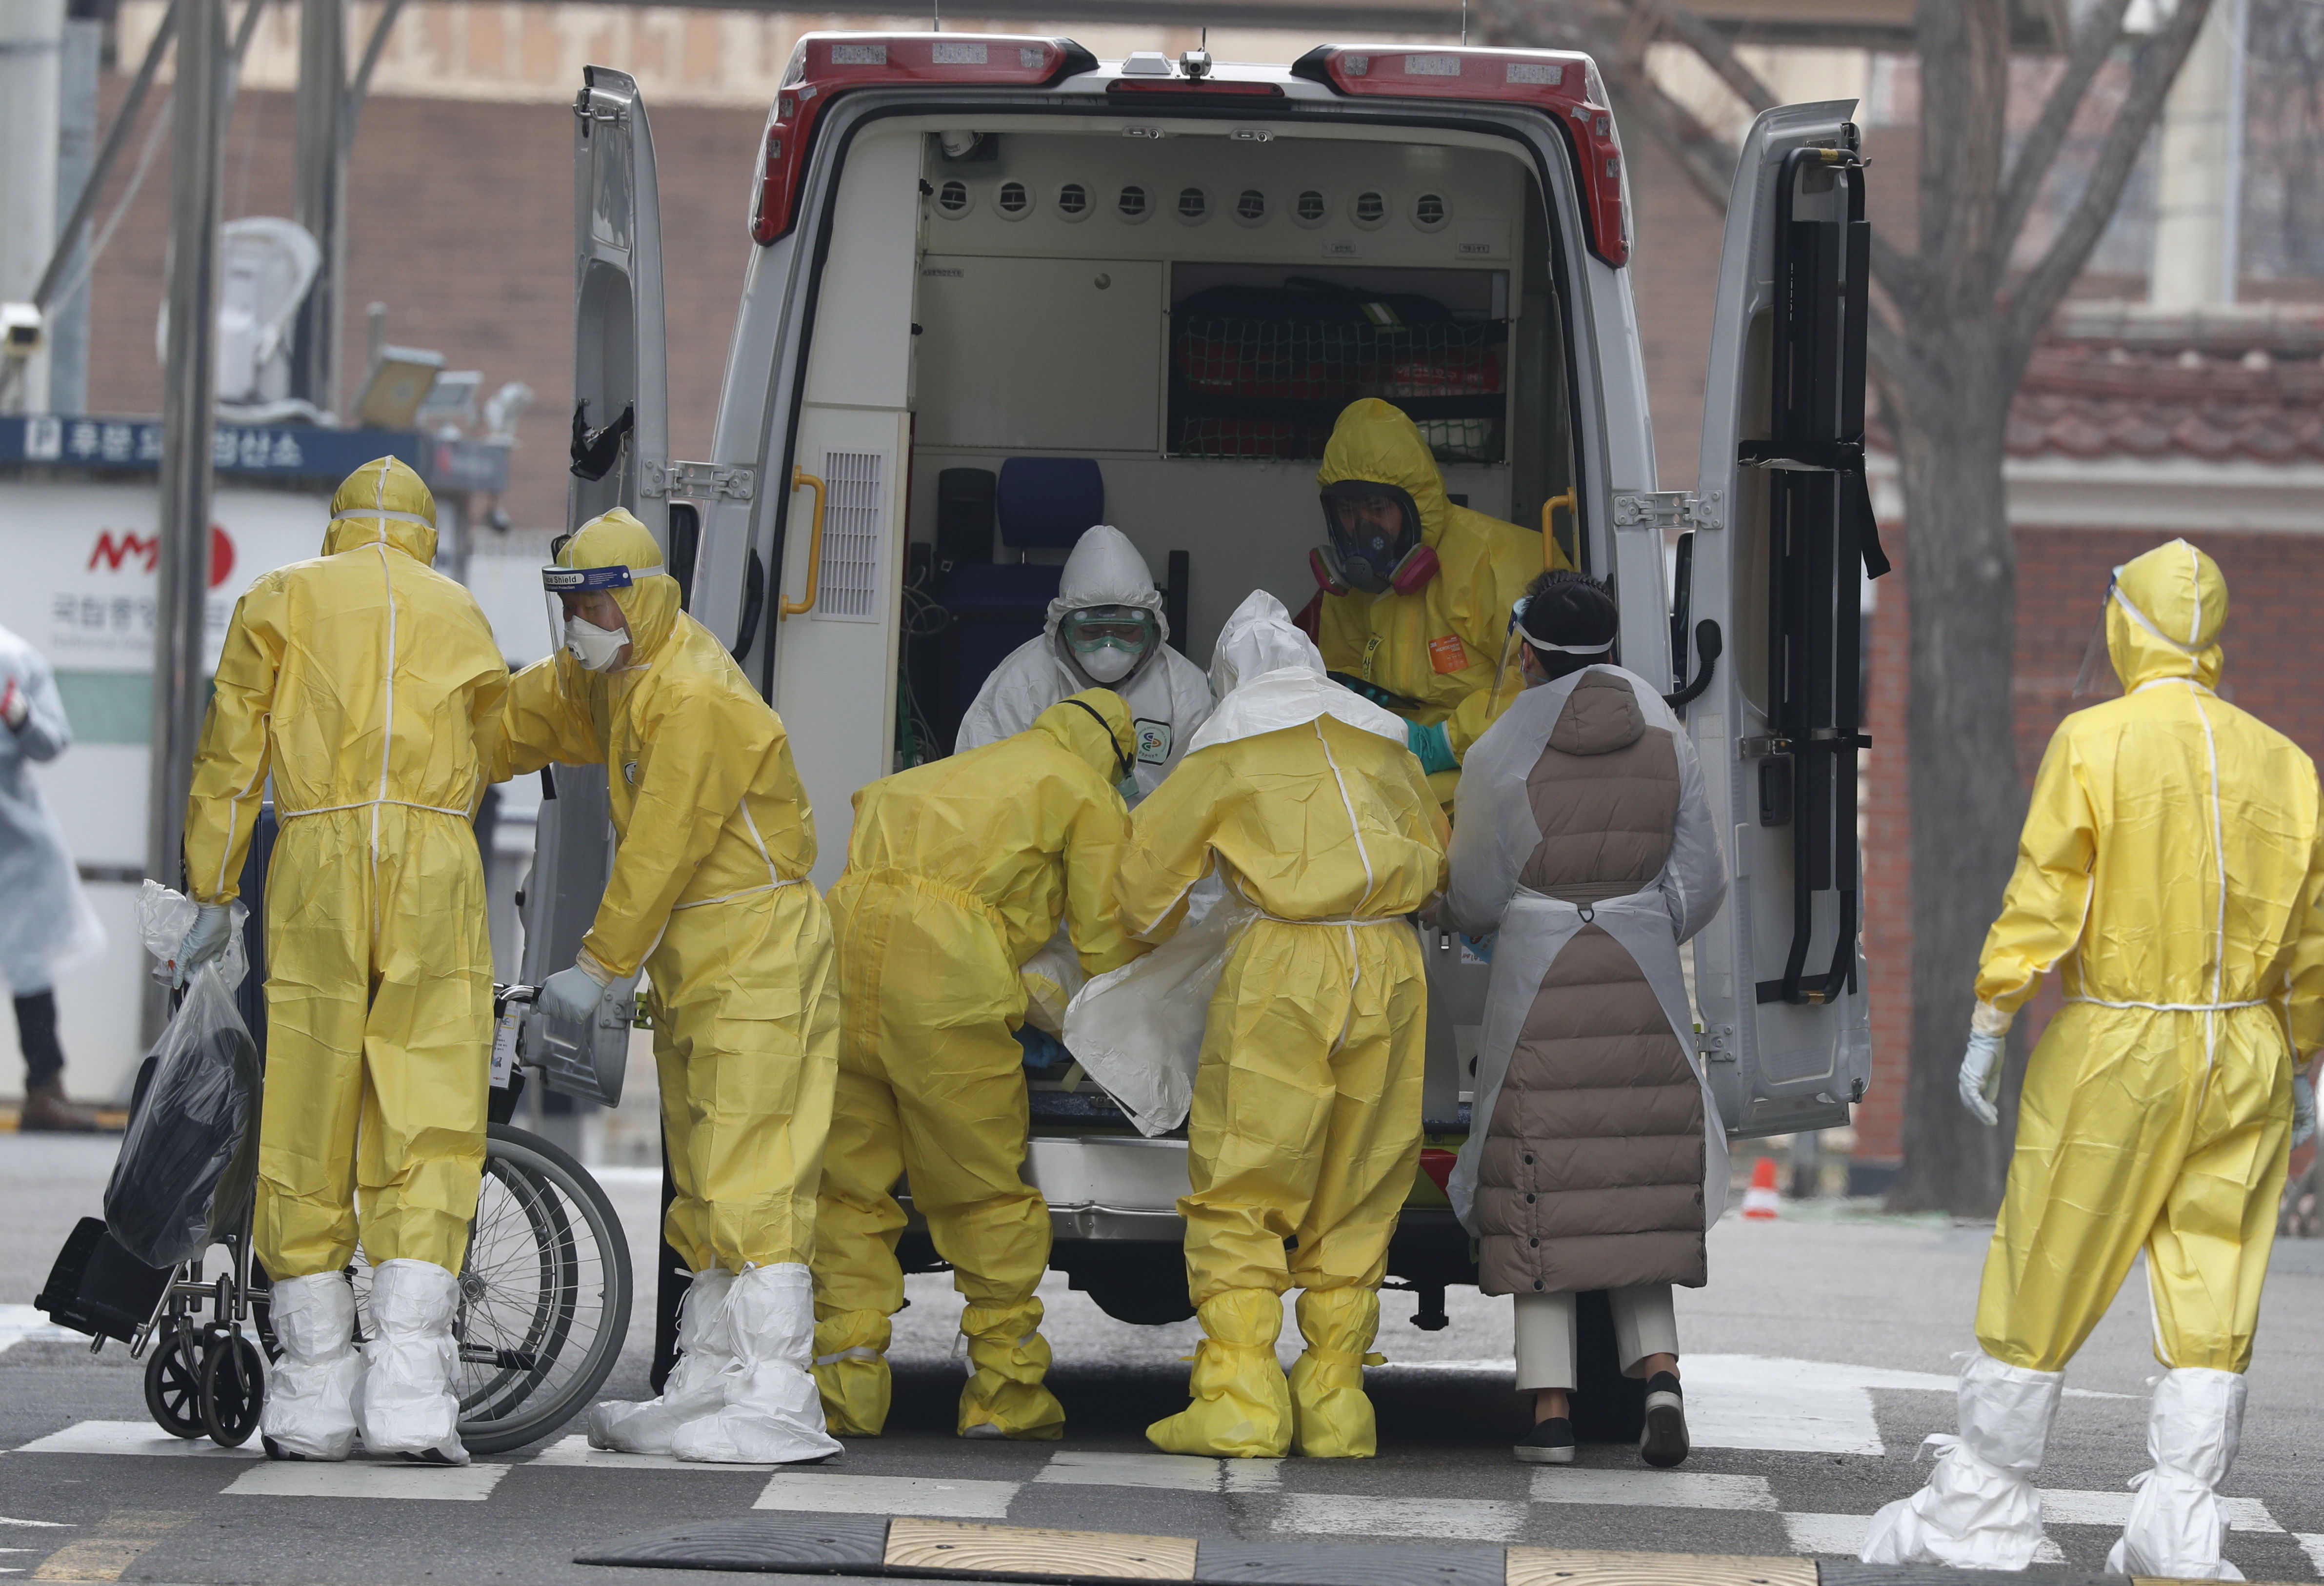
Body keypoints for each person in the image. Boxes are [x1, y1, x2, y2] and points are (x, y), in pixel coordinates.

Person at [1862, 540, 2324, 1578]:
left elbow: (2048, 893)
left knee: (2047, 1260)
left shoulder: (2094, 740)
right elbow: (2312, 938)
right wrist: (2301, 1061)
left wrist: (1993, 1014)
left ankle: (1981, 1510)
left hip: (2118, 1041)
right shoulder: (2285, 763)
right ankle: (2179, 1526)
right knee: (2217, 1288)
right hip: (2243, 1043)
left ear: (2129, 624)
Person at [178, 456, 507, 1464]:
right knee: (432, 1102)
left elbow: (232, 756)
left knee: (307, 1103)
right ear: (423, 531)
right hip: (437, 860)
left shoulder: (281, 598)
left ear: (337, 523)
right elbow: (491, 746)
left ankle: (316, 1396)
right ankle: (410, 1396)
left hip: (316, 853)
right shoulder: (463, 610)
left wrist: (210, 889)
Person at [496, 509, 841, 1466]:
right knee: (707, 1166)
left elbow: (663, 847)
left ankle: (773, 1391)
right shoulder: (629, 679)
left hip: (756, 951)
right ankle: (712, 1380)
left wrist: (601, 964)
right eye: (568, 602)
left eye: (596, 599)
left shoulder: (693, 697)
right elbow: (533, 712)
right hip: (711, 956)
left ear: (641, 596)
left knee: (753, 1160)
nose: (582, 620)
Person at [1120, 592, 1448, 1459]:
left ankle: (1238, 1397)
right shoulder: (1379, 740)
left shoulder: (1227, 748)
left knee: (1245, 1172)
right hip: (1389, 961)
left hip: (1283, 965)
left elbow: (1142, 883)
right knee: (1363, 1174)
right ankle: (1336, 1403)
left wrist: (1149, 944)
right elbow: (1436, 850)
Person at [1441, 571, 1727, 1469]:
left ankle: (1547, 1410)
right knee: (1628, 1179)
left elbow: (1477, 893)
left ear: (1526, 650)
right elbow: (1702, 875)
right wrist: (1639, 916)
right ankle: (1659, 1372)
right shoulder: (1661, 727)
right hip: (1640, 974)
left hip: (1536, 974)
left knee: (1536, 1182)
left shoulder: (1498, 751)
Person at [811, 689, 1144, 1442]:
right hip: (944, 980)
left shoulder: (958, 770)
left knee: (848, 1192)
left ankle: (845, 1396)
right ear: (1114, 756)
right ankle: (1004, 1396)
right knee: (982, 1194)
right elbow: (1106, 944)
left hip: (844, 954)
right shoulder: (1085, 792)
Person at [1308, 397, 1570, 802]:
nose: (1364, 529)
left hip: (1495, 767)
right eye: (1348, 510)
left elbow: (1547, 684)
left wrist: (1443, 742)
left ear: (1416, 504)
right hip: (1395, 768)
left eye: (1378, 508)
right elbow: (1340, 679)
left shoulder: (1494, 562)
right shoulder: (1353, 590)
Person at [956, 524, 1213, 800]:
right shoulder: (1020, 684)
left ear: (1153, 627)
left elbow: (1206, 790)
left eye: (1127, 632)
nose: (1109, 647)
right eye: (1090, 632)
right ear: (1061, 625)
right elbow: (979, 786)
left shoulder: (1185, 690)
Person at [0, 624, 106, 1132]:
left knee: (30, 968)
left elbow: (53, 740)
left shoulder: (15, 658)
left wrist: (18, 717)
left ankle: (46, 1088)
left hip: (13, 839)